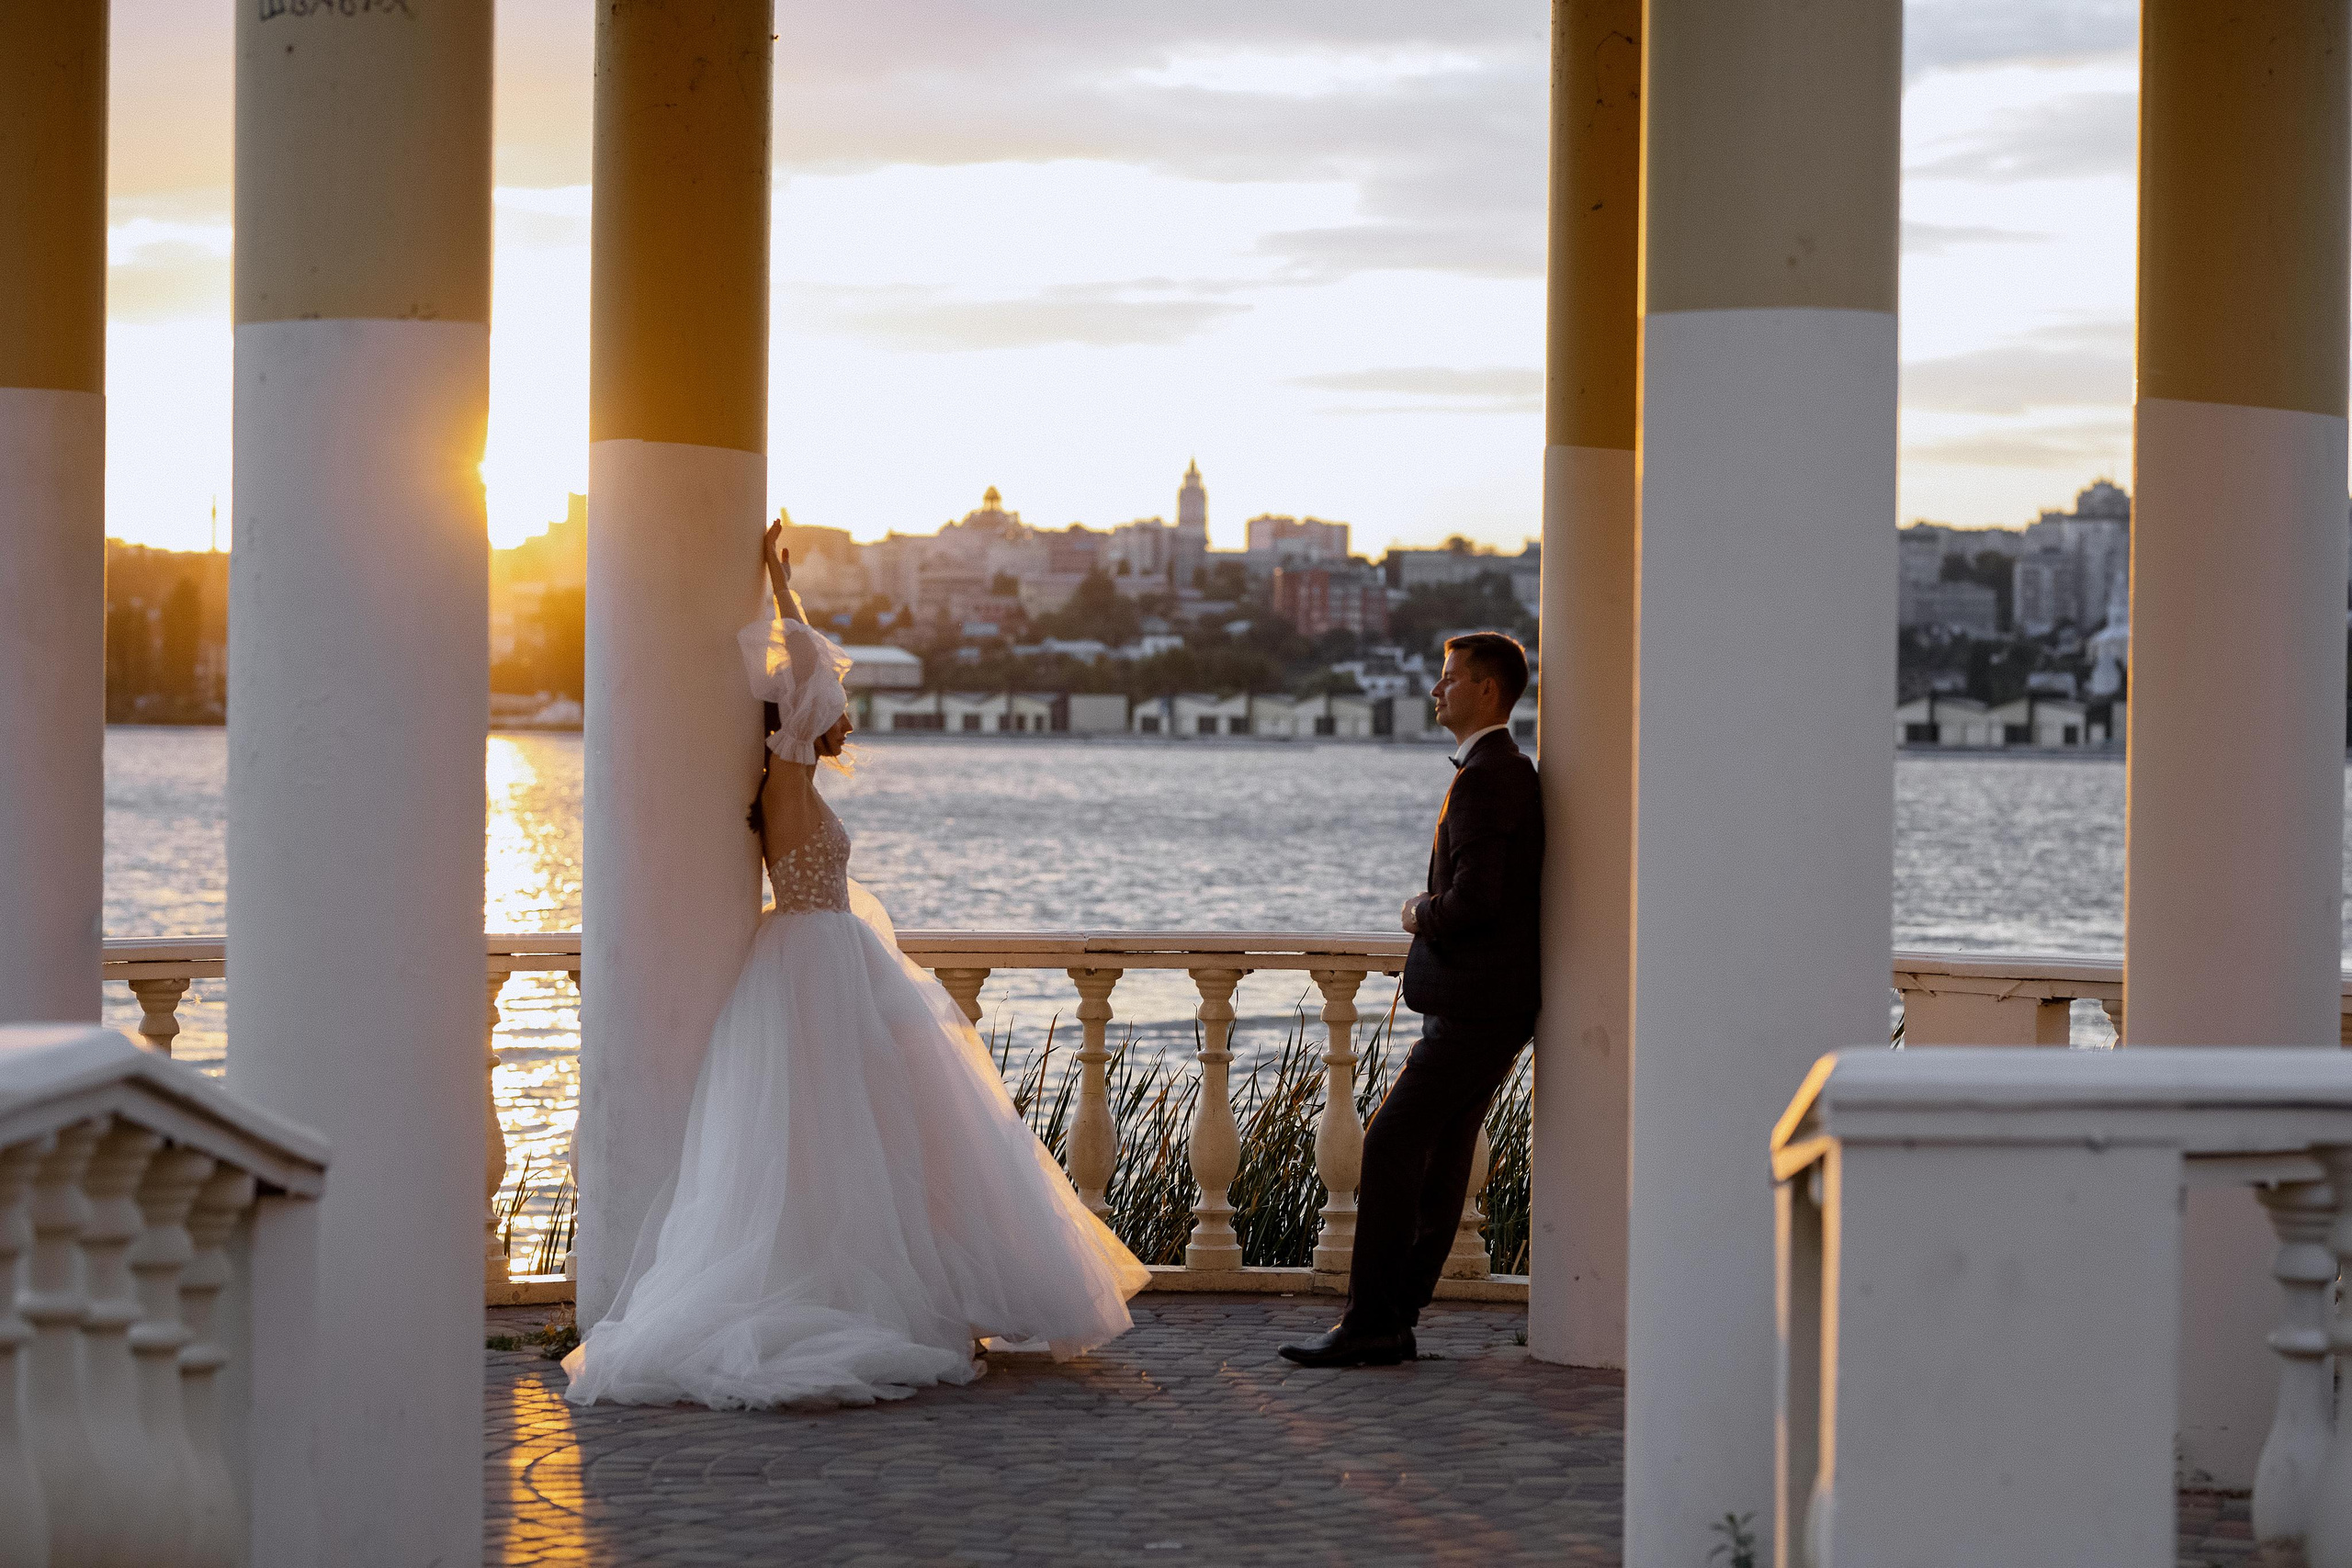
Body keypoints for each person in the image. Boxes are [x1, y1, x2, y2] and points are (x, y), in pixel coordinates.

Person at [564, 523, 1148, 1409]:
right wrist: (780, 585)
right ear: (802, 717)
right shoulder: (787, 775)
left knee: (872, 1133)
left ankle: (912, 1285)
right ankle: (868, 1297)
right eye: (836, 704)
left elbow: (807, 679)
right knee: (843, 1129)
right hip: (817, 963)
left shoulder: (796, 780)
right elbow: (804, 666)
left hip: (825, 956)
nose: (847, 716)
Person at [1279, 632, 1542, 1367]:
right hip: (1491, 1003)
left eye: (1449, 678)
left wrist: (1416, 912)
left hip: (1473, 1006)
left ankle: (1373, 1321)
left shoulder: (1486, 778)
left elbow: (1475, 900)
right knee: (1446, 1151)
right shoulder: (1504, 769)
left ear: (1487, 689)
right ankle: (1395, 1316)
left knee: (1392, 1142)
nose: (1436, 690)